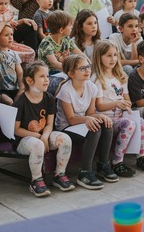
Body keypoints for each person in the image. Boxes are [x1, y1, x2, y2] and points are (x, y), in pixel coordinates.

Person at [55, 54, 118, 189]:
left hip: (82, 123)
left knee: (106, 124)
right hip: (66, 127)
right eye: (82, 68)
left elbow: (90, 113)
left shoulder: (91, 87)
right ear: (71, 73)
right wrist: (89, 119)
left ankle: (103, 165)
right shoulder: (66, 90)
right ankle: (84, 172)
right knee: (94, 128)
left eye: (88, 67)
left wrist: (100, 116)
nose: (88, 70)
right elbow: (71, 120)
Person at [13, 62, 75, 196]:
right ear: (30, 80)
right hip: (24, 140)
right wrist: (39, 137)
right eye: (42, 76)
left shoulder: (49, 98)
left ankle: (59, 174)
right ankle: (36, 180)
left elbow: (49, 124)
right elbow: (16, 130)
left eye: (47, 75)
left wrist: (45, 136)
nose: (47, 79)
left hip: (43, 136)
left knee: (65, 139)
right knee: (37, 145)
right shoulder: (20, 102)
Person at [92, 40, 144, 177]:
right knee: (129, 124)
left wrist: (126, 104)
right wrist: (116, 104)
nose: (113, 59)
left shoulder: (121, 76)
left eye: (115, 55)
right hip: (106, 119)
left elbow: (127, 99)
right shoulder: (97, 79)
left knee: (141, 122)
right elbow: (99, 106)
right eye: (108, 55)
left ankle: (140, 156)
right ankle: (117, 162)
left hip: (120, 116)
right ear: (99, 57)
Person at [37, 10, 83, 93]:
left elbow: (80, 54)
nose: (72, 27)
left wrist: (88, 65)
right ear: (61, 30)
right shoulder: (46, 43)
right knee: (66, 83)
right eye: (69, 25)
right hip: (48, 75)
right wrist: (73, 71)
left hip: (63, 72)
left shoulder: (66, 39)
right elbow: (54, 63)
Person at [0, 21, 23, 106]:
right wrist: (4, 21)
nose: (10, 37)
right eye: (6, 35)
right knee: (9, 102)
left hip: (15, 88)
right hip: (0, 90)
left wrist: (21, 90)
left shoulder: (14, 54)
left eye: (11, 34)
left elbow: (20, 73)